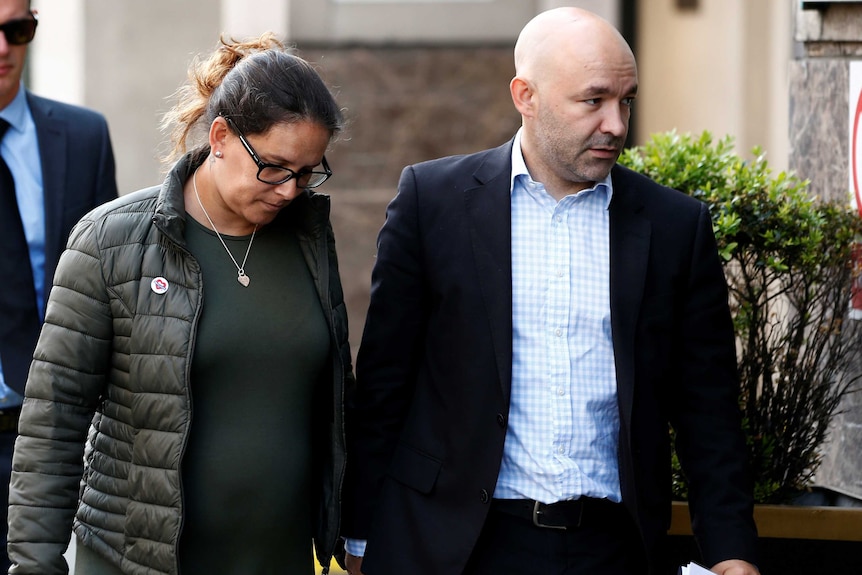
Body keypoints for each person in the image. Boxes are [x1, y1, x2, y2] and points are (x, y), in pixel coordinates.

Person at [342, 7, 759, 575]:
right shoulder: (432, 201)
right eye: (593, 100)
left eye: (626, 100)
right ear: (525, 96)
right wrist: (362, 535)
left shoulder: (672, 226)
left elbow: (708, 411)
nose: (616, 123)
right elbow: (385, 386)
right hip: (455, 545)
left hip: (613, 548)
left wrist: (731, 552)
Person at [7, 33, 353, 575]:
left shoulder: (308, 239)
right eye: (275, 167)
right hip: (136, 562)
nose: (289, 190)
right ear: (220, 136)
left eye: (307, 173)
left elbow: (335, 406)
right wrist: (34, 566)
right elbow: (53, 422)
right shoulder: (110, 242)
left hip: (277, 560)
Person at [0, 0, 117, 570]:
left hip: (54, 441)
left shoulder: (83, 137)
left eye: (16, 29)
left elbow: (110, 295)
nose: (2, 48)